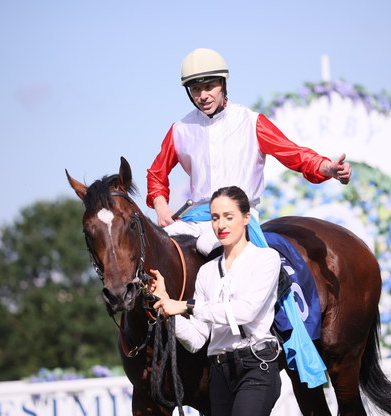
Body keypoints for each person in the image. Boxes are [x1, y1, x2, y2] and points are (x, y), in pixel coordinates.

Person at [146, 47, 352, 256]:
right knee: (155, 247)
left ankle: (275, 283)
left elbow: (293, 154)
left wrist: (327, 167)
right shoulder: (180, 129)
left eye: (209, 87)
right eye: (196, 90)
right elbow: (156, 173)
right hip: (196, 218)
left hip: (238, 216)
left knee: (207, 245)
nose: (203, 96)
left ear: (223, 84)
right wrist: (161, 208)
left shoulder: (251, 122)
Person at [150, 186, 282, 416]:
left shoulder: (266, 259)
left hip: (256, 366)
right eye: (215, 218)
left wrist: (186, 306)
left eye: (229, 217)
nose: (221, 225)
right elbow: (196, 340)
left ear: (246, 217)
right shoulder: (207, 272)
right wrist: (166, 306)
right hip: (219, 372)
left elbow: (245, 312)